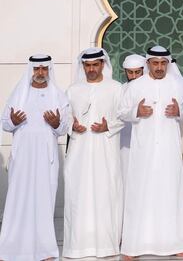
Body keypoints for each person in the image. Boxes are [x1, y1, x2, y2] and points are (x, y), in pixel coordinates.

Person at [118, 46, 183, 260]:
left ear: (167, 64)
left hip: (169, 150)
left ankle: (175, 243)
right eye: (155, 63)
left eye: (163, 63)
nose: (159, 67)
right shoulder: (136, 86)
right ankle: (134, 246)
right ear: (148, 63)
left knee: (170, 192)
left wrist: (180, 111)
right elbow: (121, 112)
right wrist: (136, 112)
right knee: (140, 192)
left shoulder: (179, 83)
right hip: (143, 150)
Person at [0, 55, 70, 261]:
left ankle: (45, 250)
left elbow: (65, 128)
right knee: (18, 198)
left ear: (49, 70)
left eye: (44, 69)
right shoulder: (19, 94)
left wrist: (57, 123)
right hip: (22, 156)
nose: (40, 73)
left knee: (44, 199)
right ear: (31, 70)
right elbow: (5, 124)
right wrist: (12, 121)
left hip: (46, 156)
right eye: (37, 69)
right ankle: (11, 248)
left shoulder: (58, 95)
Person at [63, 48, 124, 259]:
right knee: (78, 196)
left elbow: (124, 116)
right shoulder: (72, 90)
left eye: (95, 65)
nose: (91, 69)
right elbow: (64, 118)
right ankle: (77, 246)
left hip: (106, 154)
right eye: (87, 65)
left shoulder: (116, 88)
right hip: (79, 153)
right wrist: (72, 126)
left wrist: (109, 126)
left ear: (102, 65)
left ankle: (107, 246)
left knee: (106, 193)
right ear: (83, 67)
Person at [120, 53, 145, 184]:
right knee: (125, 178)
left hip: (146, 142)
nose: (134, 76)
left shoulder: (149, 88)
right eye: (130, 72)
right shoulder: (121, 89)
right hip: (125, 142)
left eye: (137, 72)